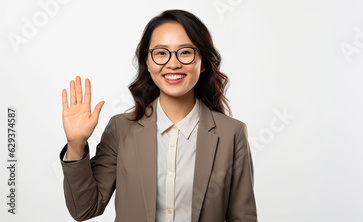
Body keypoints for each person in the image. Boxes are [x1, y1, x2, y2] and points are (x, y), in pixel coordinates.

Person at [59, 9, 257, 222]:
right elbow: (85, 209)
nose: (173, 64)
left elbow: (242, 217)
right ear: (148, 61)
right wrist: (76, 144)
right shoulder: (120, 129)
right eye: (161, 53)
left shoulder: (232, 133)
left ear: (203, 63)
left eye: (185, 52)